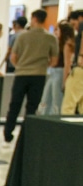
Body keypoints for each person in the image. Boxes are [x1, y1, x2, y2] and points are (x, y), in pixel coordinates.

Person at [3, 9, 58, 142]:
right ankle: (27, 134)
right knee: (32, 106)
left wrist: (20, 66)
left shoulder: (22, 36)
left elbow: (13, 57)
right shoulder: (51, 38)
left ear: (33, 19)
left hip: (22, 74)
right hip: (39, 75)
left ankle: (8, 132)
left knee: (15, 104)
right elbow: (54, 60)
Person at [39, 22, 74, 115]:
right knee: (46, 98)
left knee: (56, 99)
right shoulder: (57, 44)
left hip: (59, 73)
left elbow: (67, 64)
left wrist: (64, 81)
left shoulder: (67, 45)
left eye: (57, 30)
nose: (55, 32)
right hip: (53, 73)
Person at [61, 10, 83, 114]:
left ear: (79, 18)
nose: (74, 27)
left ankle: (65, 129)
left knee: (68, 105)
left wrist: (81, 56)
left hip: (79, 69)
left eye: (74, 24)